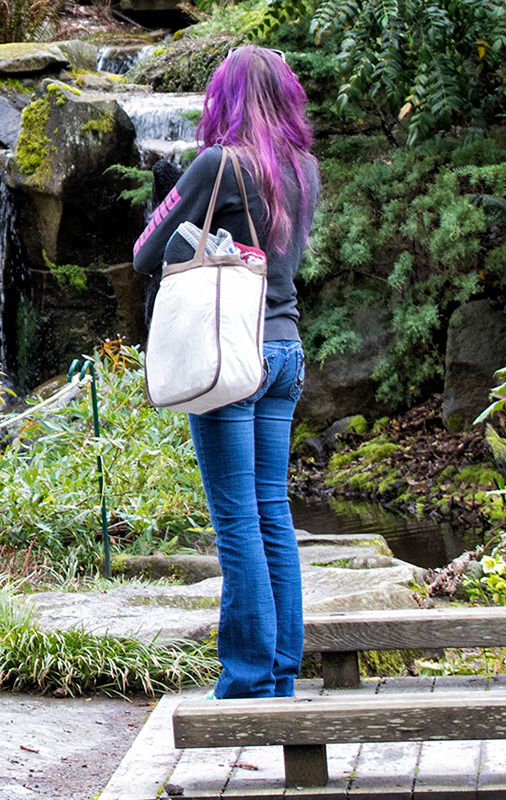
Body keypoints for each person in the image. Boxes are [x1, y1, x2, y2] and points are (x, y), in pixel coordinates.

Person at [130, 46, 320, 700]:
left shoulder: (219, 164)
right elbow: (263, 255)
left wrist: (167, 190)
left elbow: (144, 252)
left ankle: (245, 684)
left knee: (236, 522)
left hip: (228, 354)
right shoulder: (303, 169)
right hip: (285, 352)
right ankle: (281, 675)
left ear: (224, 100)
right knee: (273, 516)